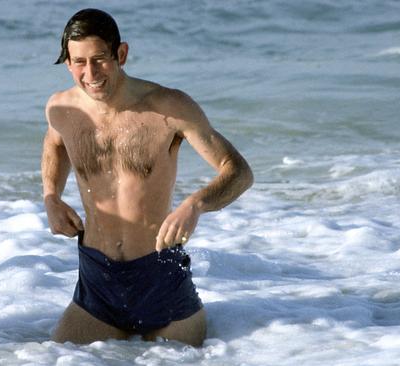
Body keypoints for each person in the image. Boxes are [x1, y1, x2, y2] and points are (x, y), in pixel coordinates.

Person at [42, 8, 253, 347]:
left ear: (121, 54)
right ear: (68, 63)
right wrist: (51, 195)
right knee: (52, 357)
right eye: (79, 62)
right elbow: (55, 144)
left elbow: (239, 172)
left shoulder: (169, 107)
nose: (90, 72)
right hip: (96, 282)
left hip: (160, 279)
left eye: (100, 59)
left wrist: (196, 203)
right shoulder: (60, 109)